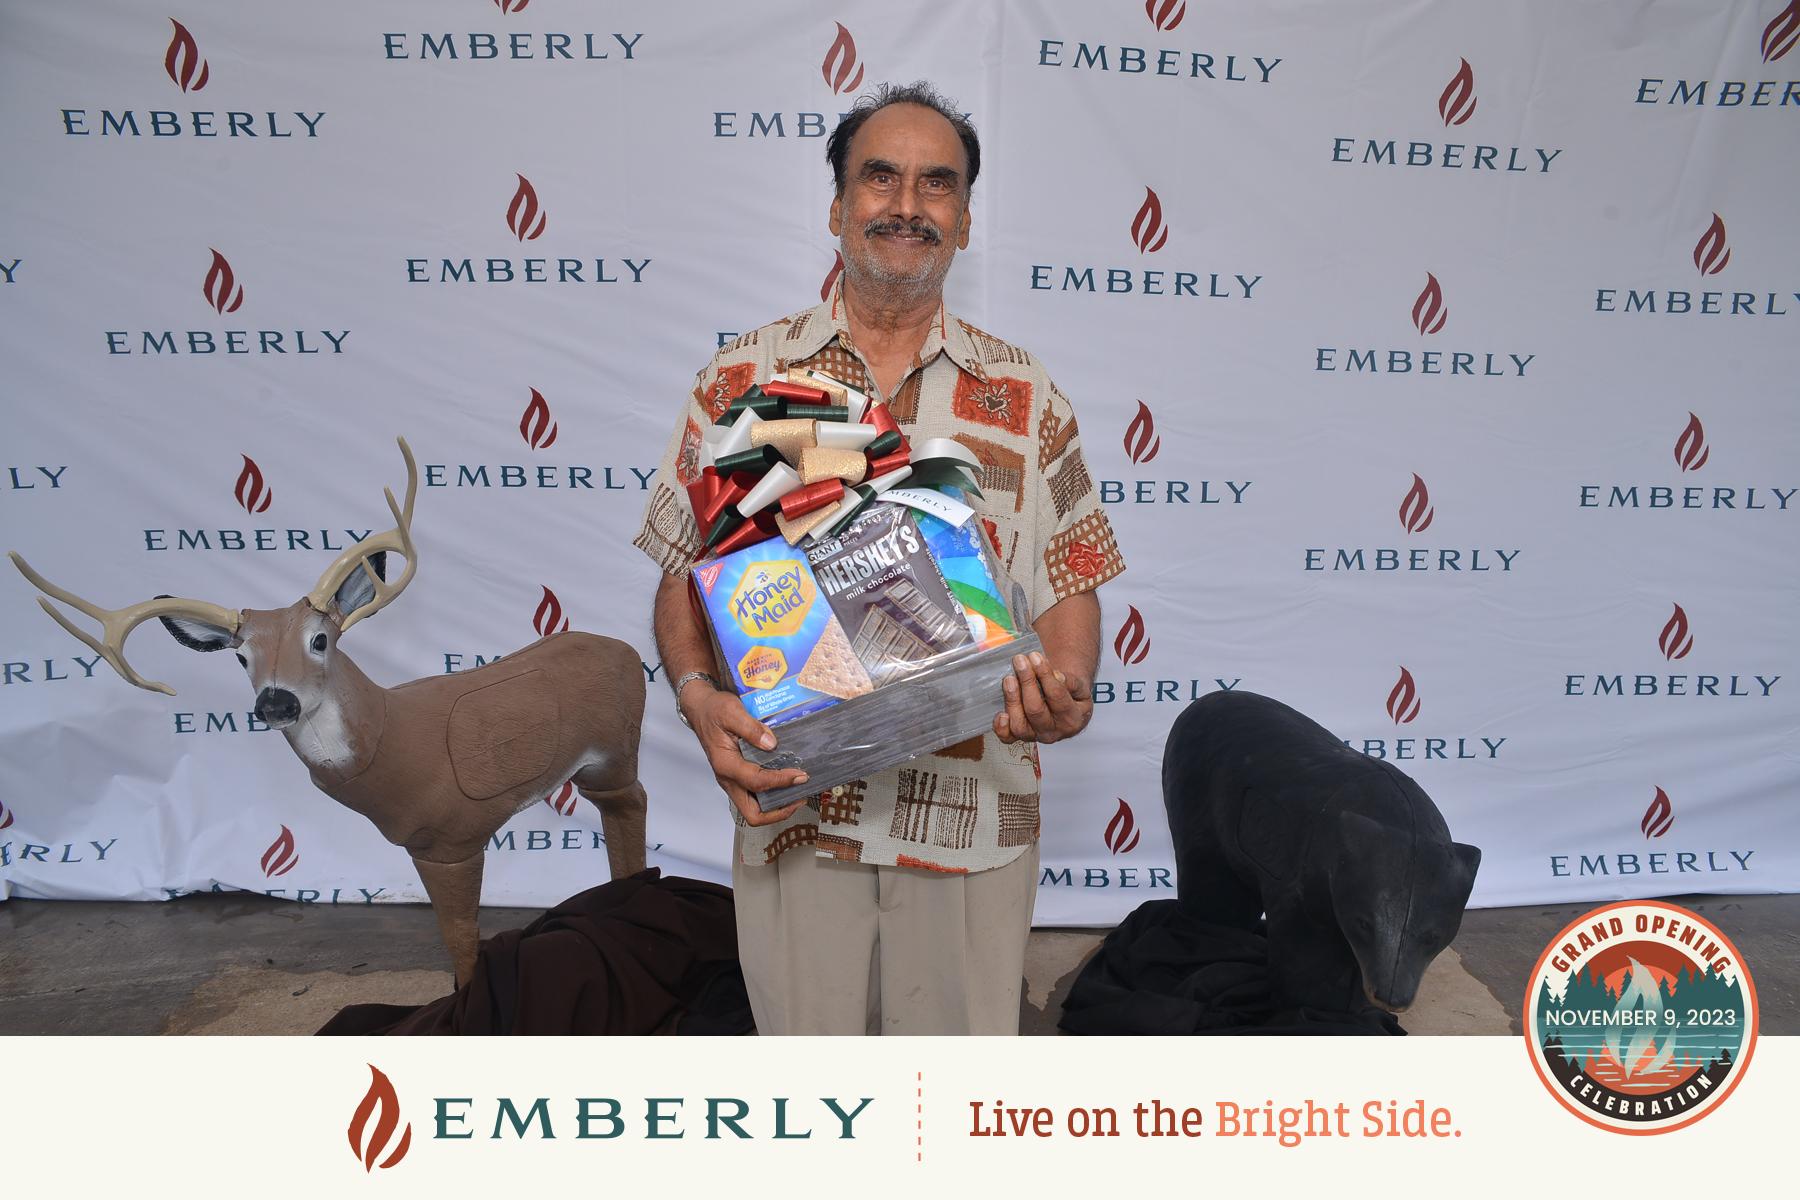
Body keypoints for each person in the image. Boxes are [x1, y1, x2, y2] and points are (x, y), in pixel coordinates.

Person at [633, 81, 1124, 1035]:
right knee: (819, 1110)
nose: (907, 205)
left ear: (967, 220)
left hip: (975, 815)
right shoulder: (742, 381)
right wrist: (697, 696)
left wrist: (1067, 683)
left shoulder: (1025, 395)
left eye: (937, 185)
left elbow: (1069, 577)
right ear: (836, 207)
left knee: (950, 1118)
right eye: (881, 178)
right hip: (797, 815)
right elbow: (683, 576)